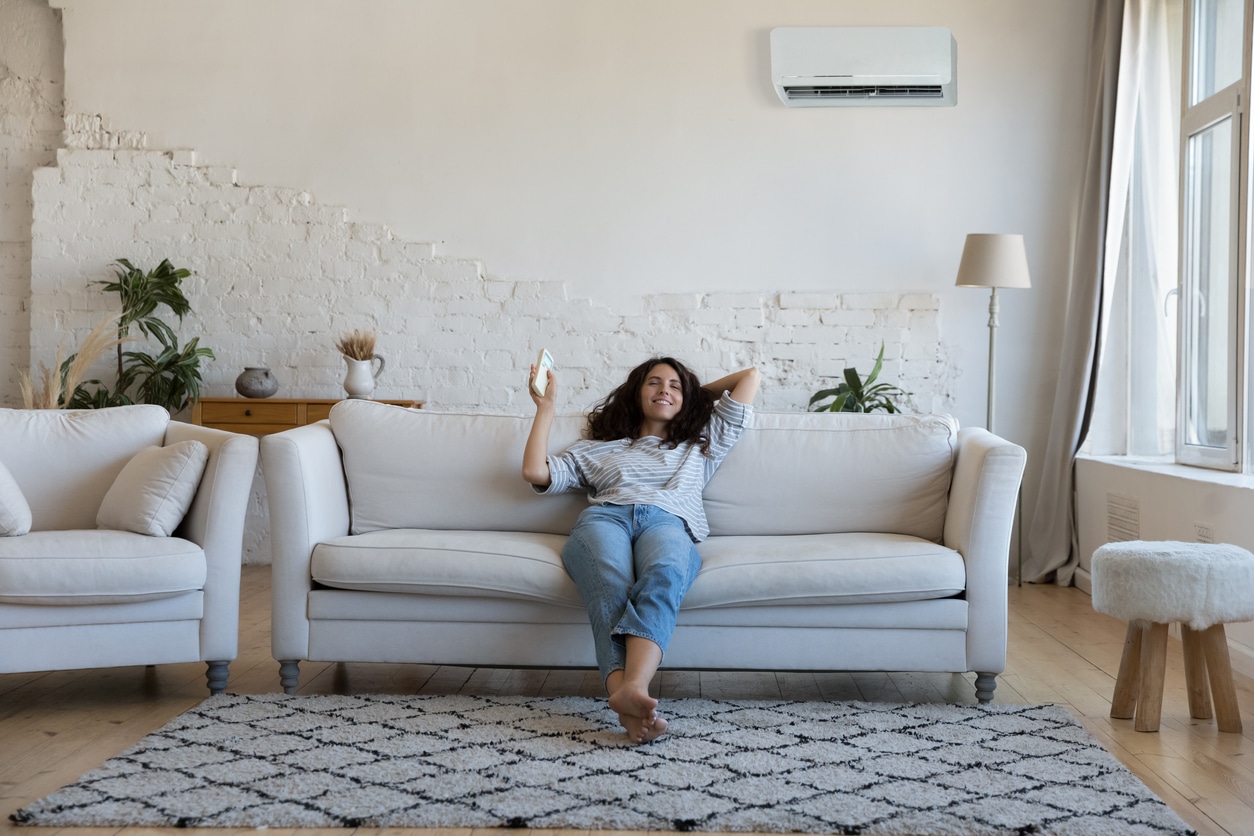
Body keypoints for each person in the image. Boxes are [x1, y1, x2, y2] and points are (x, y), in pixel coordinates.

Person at [522, 356, 760, 743]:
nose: (664, 390)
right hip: (606, 519)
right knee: (611, 586)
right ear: (636, 393)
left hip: (667, 521)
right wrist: (545, 407)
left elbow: (749, 377)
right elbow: (535, 472)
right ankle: (630, 696)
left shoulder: (702, 443)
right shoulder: (597, 450)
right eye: (653, 383)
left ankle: (631, 690)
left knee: (665, 572)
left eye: (674, 386)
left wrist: (689, 394)